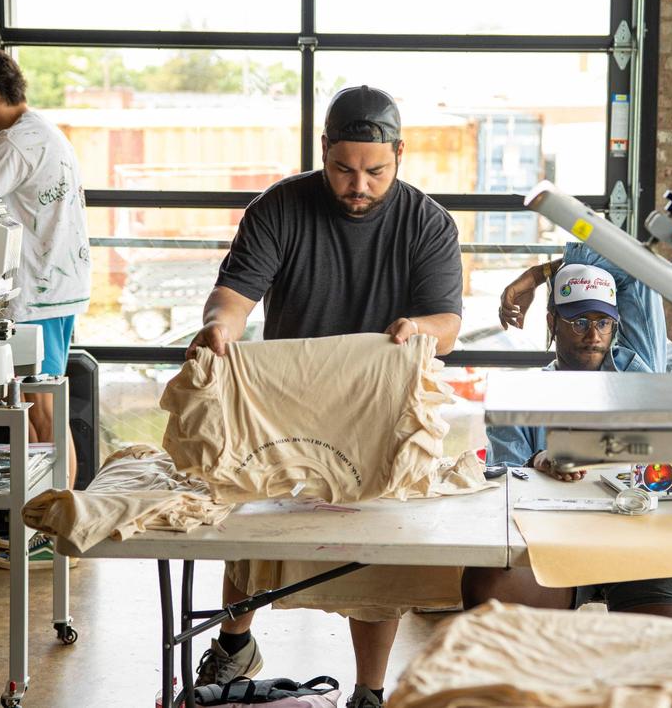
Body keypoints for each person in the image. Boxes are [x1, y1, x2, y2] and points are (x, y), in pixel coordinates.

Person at [185, 85, 463, 708]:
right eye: (342, 169)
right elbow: (233, 296)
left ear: (400, 155)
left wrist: (420, 332)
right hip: (289, 405)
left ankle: (370, 690)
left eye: (374, 171)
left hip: (380, 413)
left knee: (377, 555)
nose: (357, 184)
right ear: (323, 152)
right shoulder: (280, 207)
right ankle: (234, 645)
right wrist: (219, 328)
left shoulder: (428, 224)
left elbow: (446, 325)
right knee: (252, 529)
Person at [461, 243, 672, 621]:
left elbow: (635, 265)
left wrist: (537, 275)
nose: (593, 335)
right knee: (486, 591)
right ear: (552, 322)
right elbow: (501, 475)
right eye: (579, 322)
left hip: (640, 545)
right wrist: (537, 461)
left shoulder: (638, 371)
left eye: (603, 322)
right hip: (556, 543)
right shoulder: (522, 396)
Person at [0, 49, 91, 568]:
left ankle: (58, 534)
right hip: (53, 285)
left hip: (41, 291)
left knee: (45, 405)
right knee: (29, 405)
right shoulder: (43, 131)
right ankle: (38, 523)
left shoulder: (15, 142)